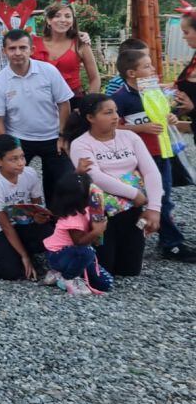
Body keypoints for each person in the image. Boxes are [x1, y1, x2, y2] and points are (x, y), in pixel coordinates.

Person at [110, 42, 196, 261]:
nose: (153, 70)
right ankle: (158, 241)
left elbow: (164, 115)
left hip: (162, 152)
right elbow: (111, 127)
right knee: (136, 199)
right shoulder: (120, 98)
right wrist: (140, 128)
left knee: (164, 197)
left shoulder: (153, 91)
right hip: (137, 158)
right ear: (131, 73)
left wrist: (172, 118)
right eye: (147, 66)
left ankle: (169, 241)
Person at [66, 94, 162, 276]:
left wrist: (154, 208)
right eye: (108, 113)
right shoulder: (80, 144)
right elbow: (96, 177)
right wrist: (134, 194)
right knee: (105, 269)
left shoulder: (130, 137)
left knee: (130, 270)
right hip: (101, 211)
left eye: (116, 111)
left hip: (133, 208)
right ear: (90, 118)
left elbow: (151, 171)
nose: (116, 117)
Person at [0, 29, 74, 205]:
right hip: (19, 139)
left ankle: (59, 223)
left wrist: (63, 135)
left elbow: (64, 104)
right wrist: (7, 149)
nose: (17, 53)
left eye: (22, 47)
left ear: (32, 49)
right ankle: (25, 220)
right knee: (15, 183)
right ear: (4, 51)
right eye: (12, 48)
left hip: (53, 137)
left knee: (63, 184)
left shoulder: (48, 71)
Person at [0, 135, 53, 281]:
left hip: (26, 222)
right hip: (2, 229)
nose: (20, 163)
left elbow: (38, 206)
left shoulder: (30, 173)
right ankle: (22, 254)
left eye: (22, 157)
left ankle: (34, 254)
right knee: (9, 272)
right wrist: (24, 257)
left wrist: (40, 217)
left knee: (50, 234)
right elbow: (6, 226)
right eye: (13, 159)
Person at [42, 173, 110, 296]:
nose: (93, 192)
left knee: (105, 283)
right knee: (87, 252)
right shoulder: (72, 218)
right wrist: (96, 231)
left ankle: (60, 274)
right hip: (58, 255)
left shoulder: (87, 209)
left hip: (74, 255)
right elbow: (79, 242)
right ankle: (67, 277)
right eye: (89, 190)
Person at [33, 2, 100, 103]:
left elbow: (95, 78)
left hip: (73, 101)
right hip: (39, 102)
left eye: (68, 16)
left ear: (73, 21)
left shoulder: (80, 44)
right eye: (57, 16)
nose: (63, 20)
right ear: (48, 20)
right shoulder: (33, 43)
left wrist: (88, 105)